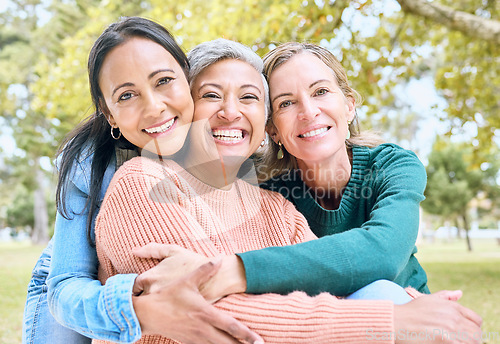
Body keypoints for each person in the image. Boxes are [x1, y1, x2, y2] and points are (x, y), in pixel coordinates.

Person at [22, 19, 481, 343]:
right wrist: (390, 324)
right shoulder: (134, 178)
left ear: (264, 125)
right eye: (212, 95)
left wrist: (407, 312)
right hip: (75, 293)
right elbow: (204, 316)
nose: (230, 111)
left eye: (249, 97)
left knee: (389, 298)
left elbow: (328, 283)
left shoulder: (279, 205)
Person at [23, 17, 263, 344]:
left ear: (186, 79)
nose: (154, 108)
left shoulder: (231, 149)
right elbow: (66, 285)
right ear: (110, 115)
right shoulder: (90, 165)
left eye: (164, 81)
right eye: (126, 96)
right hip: (73, 287)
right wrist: (138, 309)